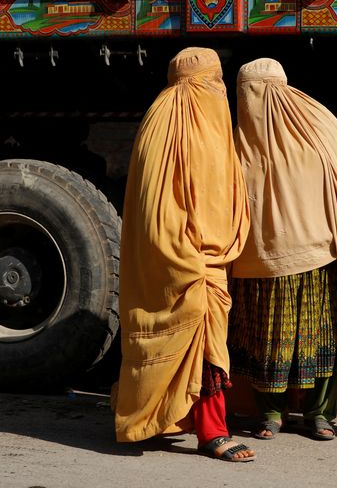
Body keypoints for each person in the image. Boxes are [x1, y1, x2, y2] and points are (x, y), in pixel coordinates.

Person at [228, 57, 337, 441]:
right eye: (246, 94)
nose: (252, 103)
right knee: (264, 344)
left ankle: (321, 413)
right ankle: (270, 414)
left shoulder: (317, 128)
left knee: (320, 344)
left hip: (316, 261)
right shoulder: (235, 142)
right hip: (258, 265)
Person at [113, 47, 255, 462]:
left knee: (196, 347)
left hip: (212, 257)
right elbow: (153, 208)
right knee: (205, 346)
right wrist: (188, 260)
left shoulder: (200, 121)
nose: (218, 90)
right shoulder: (166, 125)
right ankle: (214, 432)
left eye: (219, 81)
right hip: (187, 261)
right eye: (213, 81)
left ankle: (158, 417)